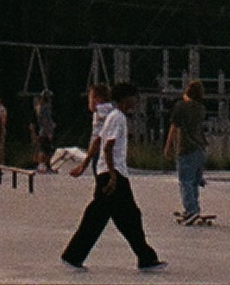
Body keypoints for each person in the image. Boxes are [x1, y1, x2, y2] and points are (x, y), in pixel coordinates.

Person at [63, 83, 164, 272]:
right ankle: (146, 258)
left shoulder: (112, 116)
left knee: (107, 216)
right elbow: (108, 147)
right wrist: (112, 176)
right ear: (126, 98)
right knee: (124, 217)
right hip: (114, 174)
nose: (136, 102)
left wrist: (85, 165)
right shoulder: (118, 118)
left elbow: (98, 141)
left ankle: (74, 255)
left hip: (109, 172)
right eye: (134, 97)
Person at [166, 80, 210, 225]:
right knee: (194, 182)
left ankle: (191, 210)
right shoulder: (201, 109)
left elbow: (174, 126)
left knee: (185, 181)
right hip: (200, 148)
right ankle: (195, 208)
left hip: (186, 148)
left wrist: (168, 146)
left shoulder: (181, 106)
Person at [33, 91, 57, 171]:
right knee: (44, 149)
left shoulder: (40, 107)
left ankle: (46, 165)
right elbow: (46, 121)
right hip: (45, 132)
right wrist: (49, 132)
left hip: (42, 131)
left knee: (46, 149)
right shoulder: (46, 108)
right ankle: (41, 165)